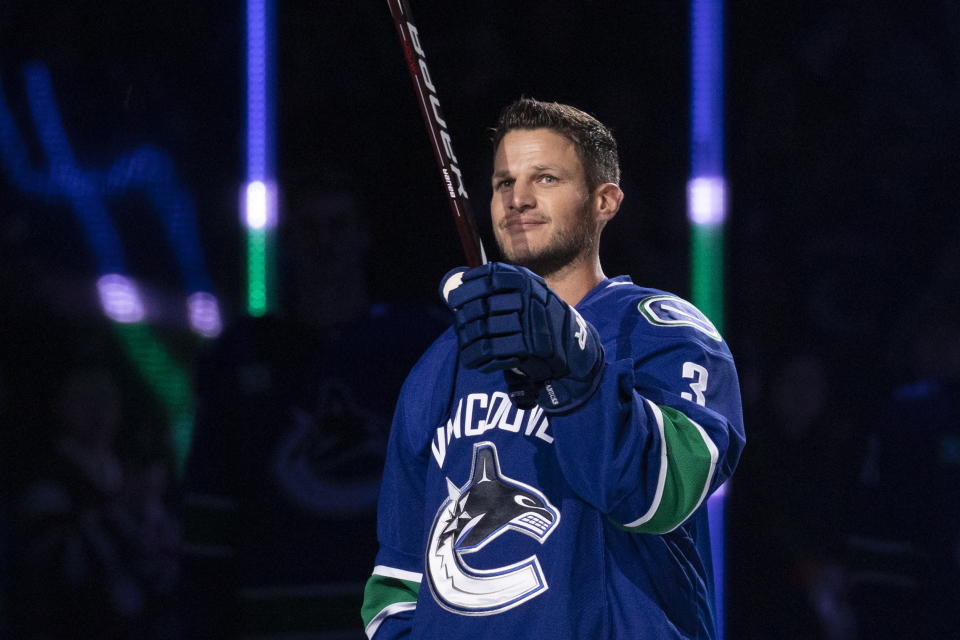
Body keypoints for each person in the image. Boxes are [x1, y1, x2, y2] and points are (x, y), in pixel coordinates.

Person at [361, 98, 746, 639]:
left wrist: (575, 363)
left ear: (604, 201)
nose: (517, 199)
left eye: (544, 178)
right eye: (502, 183)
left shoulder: (662, 331)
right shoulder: (441, 361)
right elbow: (396, 580)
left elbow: (661, 496)